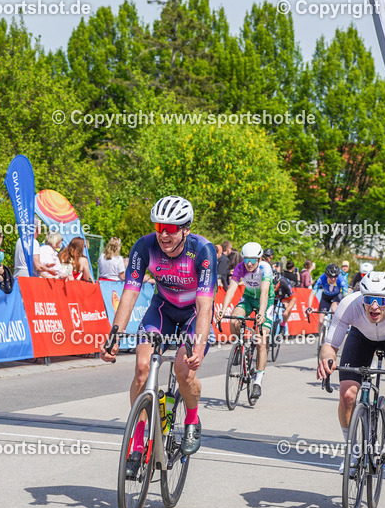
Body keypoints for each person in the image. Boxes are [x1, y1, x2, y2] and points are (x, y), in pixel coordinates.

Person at [102, 196, 215, 472]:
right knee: (142, 369)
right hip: (162, 310)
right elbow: (130, 293)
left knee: (183, 372)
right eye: (159, 226)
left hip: (192, 315)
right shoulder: (144, 247)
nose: (163, 234)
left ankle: (192, 419)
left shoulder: (202, 250)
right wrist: (114, 334)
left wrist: (199, 346)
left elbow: (205, 305)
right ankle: (138, 441)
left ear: (185, 229)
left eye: (171, 228)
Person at [316, 272, 385, 466]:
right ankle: (352, 450)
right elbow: (329, 346)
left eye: (380, 301)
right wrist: (327, 359)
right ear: (362, 298)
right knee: (347, 394)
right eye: (369, 299)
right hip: (361, 336)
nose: (374, 306)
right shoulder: (349, 305)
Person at [217, 242, 274, 398]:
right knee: (234, 320)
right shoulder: (240, 267)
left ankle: (258, 382)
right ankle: (240, 346)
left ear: (260, 258)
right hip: (248, 298)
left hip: (266, 301)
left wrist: (261, 313)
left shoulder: (265, 268)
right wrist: (222, 310)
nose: (249, 263)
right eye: (246, 259)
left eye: (253, 260)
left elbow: (264, 292)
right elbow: (231, 289)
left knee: (261, 341)